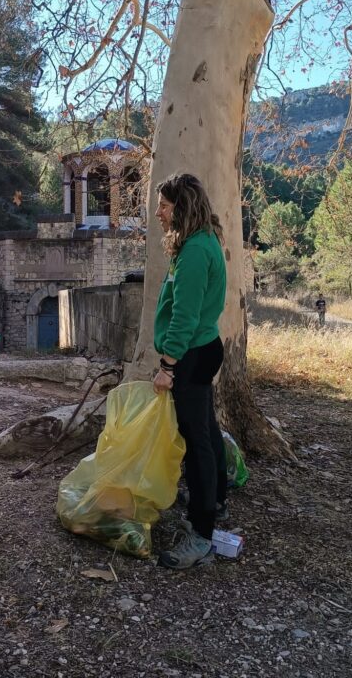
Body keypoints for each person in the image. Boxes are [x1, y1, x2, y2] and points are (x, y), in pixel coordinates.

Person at [151, 174, 227, 570]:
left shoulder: (197, 250)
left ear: (182, 206)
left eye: (164, 205)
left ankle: (201, 534)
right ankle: (216, 500)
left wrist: (167, 366)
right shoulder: (200, 241)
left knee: (196, 441)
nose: (159, 212)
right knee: (206, 431)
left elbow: (185, 316)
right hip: (201, 349)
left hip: (192, 354)